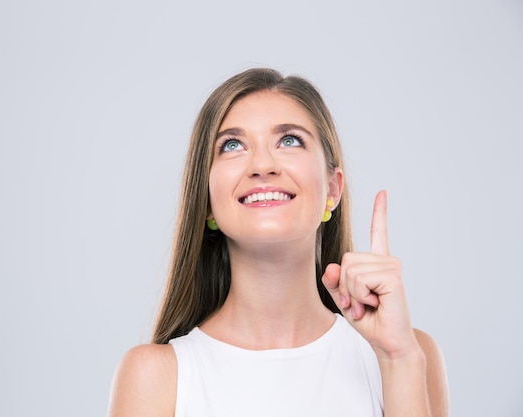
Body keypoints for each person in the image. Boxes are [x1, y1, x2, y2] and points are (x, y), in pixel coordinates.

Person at [107, 68, 449, 417]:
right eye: (232, 145)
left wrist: (398, 359)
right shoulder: (156, 376)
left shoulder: (408, 354)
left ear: (333, 189)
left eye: (289, 141)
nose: (262, 164)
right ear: (207, 201)